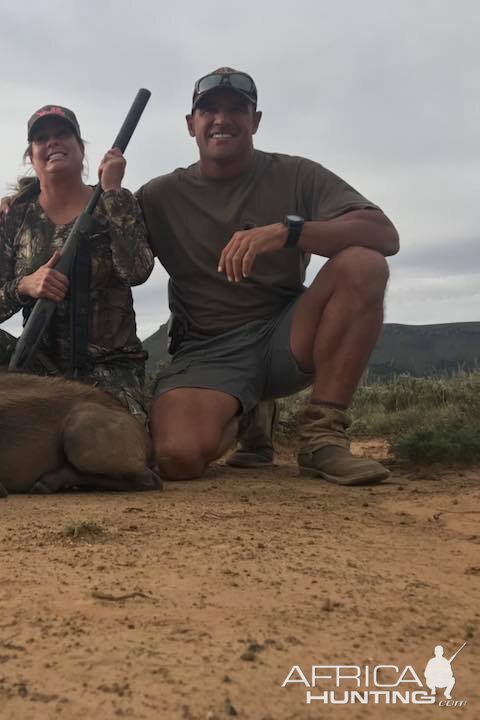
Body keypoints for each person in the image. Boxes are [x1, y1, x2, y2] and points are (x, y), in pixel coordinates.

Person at [140, 67, 399, 484]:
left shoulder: (297, 174)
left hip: (286, 336)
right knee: (177, 458)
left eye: (236, 109)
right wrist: (22, 201)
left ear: (255, 121)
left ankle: (322, 437)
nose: (222, 119)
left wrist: (289, 232)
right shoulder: (157, 195)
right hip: (209, 350)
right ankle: (249, 417)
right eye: (208, 110)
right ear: (191, 125)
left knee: (363, 264)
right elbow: (104, 241)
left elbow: (384, 234)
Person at [0, 104, 155, 422]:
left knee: (114, 442)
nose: (52, 142)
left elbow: (136, 271)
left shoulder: (116, 201)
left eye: (62, 134)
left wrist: (113, 190)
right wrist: (25, 286)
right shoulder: (14, 217)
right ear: (32, 156)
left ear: (81, 149)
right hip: (39, 371)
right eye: (42, 138)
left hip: (109, 370)